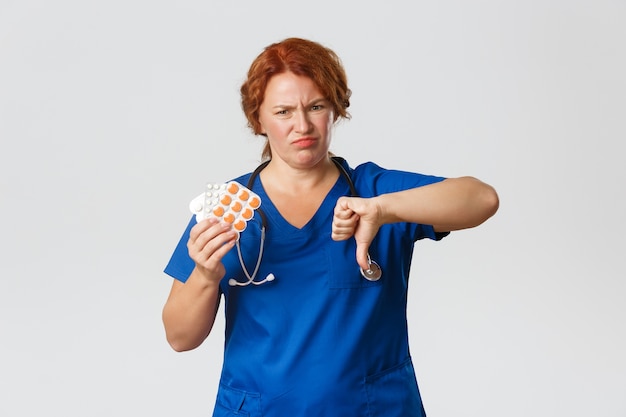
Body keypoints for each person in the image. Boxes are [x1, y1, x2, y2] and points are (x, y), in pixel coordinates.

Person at [162, 37, 499, 417]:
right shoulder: (227, 209)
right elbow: (179, 337)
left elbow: (481, 199)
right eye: (283, 111)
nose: (302, 125)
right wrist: (206, 276)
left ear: (335, 110)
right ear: (258, 119)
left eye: (316, 106)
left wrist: (384, 209)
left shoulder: (373, 192)